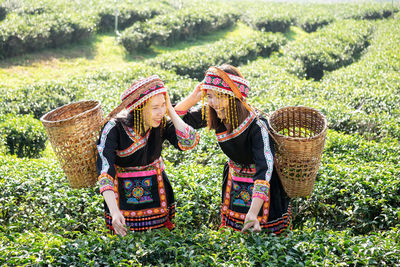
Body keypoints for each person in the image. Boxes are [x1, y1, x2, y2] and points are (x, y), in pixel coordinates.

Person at [175, 64, 291, 234]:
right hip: (234, 182)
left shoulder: (258, 125)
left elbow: (265, 169)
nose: (214, 103)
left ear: (234, 97)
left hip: (263, 192)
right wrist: (193, 97)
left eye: (220, 97)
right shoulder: (212, 112)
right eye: (210, 96)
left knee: (265, 240)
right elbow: (174, 120)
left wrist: (252, 212)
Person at [97, 75, 199, 236]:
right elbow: (105, 170)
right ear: (138, 108)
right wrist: (114, 211)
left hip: (158, 194)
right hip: (121, 200)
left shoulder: (161, 122)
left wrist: (170, 111)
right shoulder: (114, 127)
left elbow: (189, 142)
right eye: (155, 107)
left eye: (163, 105)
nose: (160, 112)